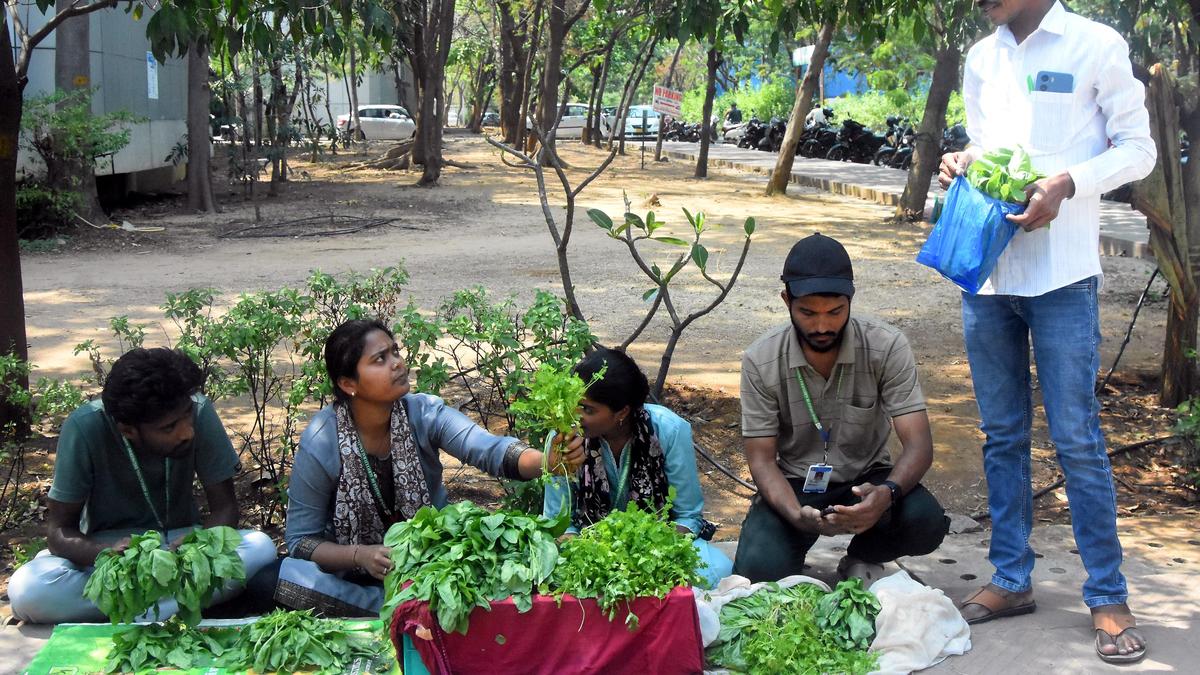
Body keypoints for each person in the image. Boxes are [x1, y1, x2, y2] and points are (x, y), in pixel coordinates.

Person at [937, 0, 1155, 664]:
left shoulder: (1095, 44)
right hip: (989, 274)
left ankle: (1108, 595)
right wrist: (963, 161)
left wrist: (1069, 182)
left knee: (1077, 439)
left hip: (1063, 277)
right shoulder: (982, 56)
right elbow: (987, 145)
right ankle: (1011, 577)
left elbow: (1139, 150)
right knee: (1002, 434)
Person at [272, 319, 584, 616]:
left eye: (395, 351)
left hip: (434, 570)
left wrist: (547, 462)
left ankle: (403, 608)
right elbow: (301, 541)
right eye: (380, 359)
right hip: (349, 578)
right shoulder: (322, 440)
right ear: (348, 383)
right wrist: (360, 555)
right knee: (288, 578)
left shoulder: (423, 413)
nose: (397, 363)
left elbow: (487, 449)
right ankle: (405, 608)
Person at [733, 233, 947, 584]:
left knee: (926, 522)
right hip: (796, 482)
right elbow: (761, 460)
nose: (822, 326)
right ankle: (789, 549)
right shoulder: (761, 359)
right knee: (758, 568)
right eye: (807, 312)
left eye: (835, 312)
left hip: (867, 478)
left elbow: (919, 445)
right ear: (787, 300)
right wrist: (795, 515)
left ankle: (864, 555)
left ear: (851, 299)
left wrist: (886, 495)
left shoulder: (886, 346)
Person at [7, 348, 276, 624]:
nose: (187, 431)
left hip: (184, 550)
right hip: (113, 556)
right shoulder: (84, 426)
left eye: (187, 415)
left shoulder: (200, 410)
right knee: (29, 591)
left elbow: (225, 509)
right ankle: (171, 607)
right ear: (128, 430)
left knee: (261, 548)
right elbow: (59, 532)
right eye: (169, 427)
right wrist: (106, 554)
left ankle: (131, 609)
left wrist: (198, 544)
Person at [543, 348, 734, 589]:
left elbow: (687, 515)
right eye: (574, 404)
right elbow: (557, 522)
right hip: (587, 550)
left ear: (622, 412)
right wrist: (586, 552)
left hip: (655, 548)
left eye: (588, 409)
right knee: (551, 578)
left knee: (717, 570)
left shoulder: (669, 430)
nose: (575, 416)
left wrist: (646, 554)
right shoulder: (562, 441)